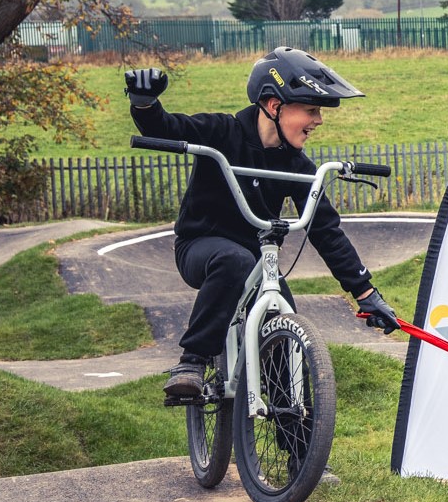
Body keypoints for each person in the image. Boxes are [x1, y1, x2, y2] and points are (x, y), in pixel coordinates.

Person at [126, 50, 401, 399]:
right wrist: (145, 104)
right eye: (312, 110)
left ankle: (299, 445)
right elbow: (168, 128)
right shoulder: (222, 132)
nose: (318, 121)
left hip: (256, 264)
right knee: (234, 262)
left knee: (283, 317)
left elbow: (325, 230)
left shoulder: (296, 165)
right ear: (274, 105)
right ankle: (192, 361)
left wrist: (365, 293)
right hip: (200, 248)